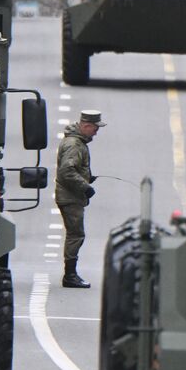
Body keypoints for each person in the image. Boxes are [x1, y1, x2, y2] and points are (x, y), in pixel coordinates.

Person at [55, 110, 105, 288]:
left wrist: (87, 177)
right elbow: (66, 171)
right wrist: (85, 187)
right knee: (75, 235)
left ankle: (70, 274)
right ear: (85, 126)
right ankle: (70, 275)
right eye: (95, 128)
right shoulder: (75, 144)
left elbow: (72, 169)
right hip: (70, 197)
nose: (96, 132)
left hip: (70, 195)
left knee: (75, 234)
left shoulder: (77, 142)